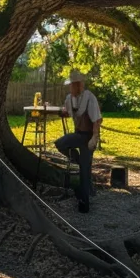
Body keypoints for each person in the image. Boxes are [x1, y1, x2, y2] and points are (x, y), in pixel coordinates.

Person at [54, 70, 102, 213]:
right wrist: (60, 112)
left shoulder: (89, 98)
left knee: (85, 171)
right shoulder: (70, 98)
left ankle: (84, 203)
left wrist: (94, 137)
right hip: (78, 135)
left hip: (88, 137)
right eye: (73, 85)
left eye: (77, 85)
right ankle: (79, 160)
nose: (75, 87)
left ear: (80, 85)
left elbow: (97, 119)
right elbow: (67, 112)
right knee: (60, 144)